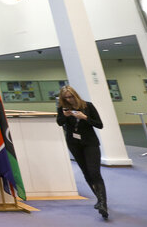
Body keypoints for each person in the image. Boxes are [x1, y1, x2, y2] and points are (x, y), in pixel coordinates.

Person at [56, 85, 108, 219]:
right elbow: (59, 122)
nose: (69, 100)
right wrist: (65, 116)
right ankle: (99, 199)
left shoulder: (87, 106)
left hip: (90, 142)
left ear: (75, 95)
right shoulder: (63, 108)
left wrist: (85, 117)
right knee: (86, 172)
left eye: (71, 97)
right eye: (66, 98)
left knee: (94, 172)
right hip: (74, 143)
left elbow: (99, 124)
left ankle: (103, 203)